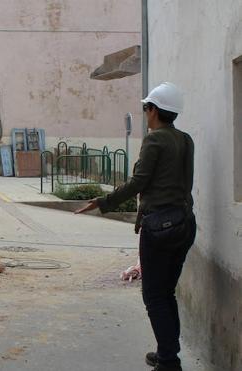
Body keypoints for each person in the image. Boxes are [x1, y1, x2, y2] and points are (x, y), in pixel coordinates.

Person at [76, 82, 196, 371]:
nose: (145, 114)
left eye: (146, 108)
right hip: (184, 222)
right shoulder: (186, 139)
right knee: (166, 292)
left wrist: (103, 201)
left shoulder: (155, 140)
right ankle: (168, 351)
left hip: (160, 227)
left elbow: (138, 183)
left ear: (154, 110)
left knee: (153, 295)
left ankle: (168, 361)